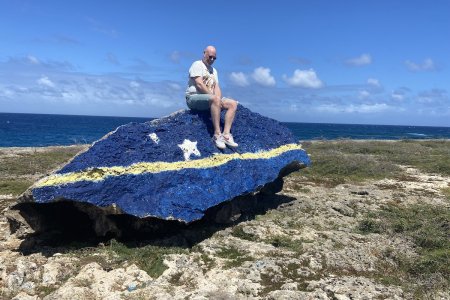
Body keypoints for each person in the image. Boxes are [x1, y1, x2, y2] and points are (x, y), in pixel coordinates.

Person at [185, 45, 239, 149]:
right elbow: (199, 84)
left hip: (209, 99)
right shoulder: (197, 64)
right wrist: (215, 98)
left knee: (233, 103)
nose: (212, 59)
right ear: (204, 53)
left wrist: (218, 99)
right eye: (210, 56)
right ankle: (217, 135)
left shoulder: (214, 71)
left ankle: (226, 135)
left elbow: (216, 87)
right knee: (215, 99)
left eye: (214, 58)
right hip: (193, 98)